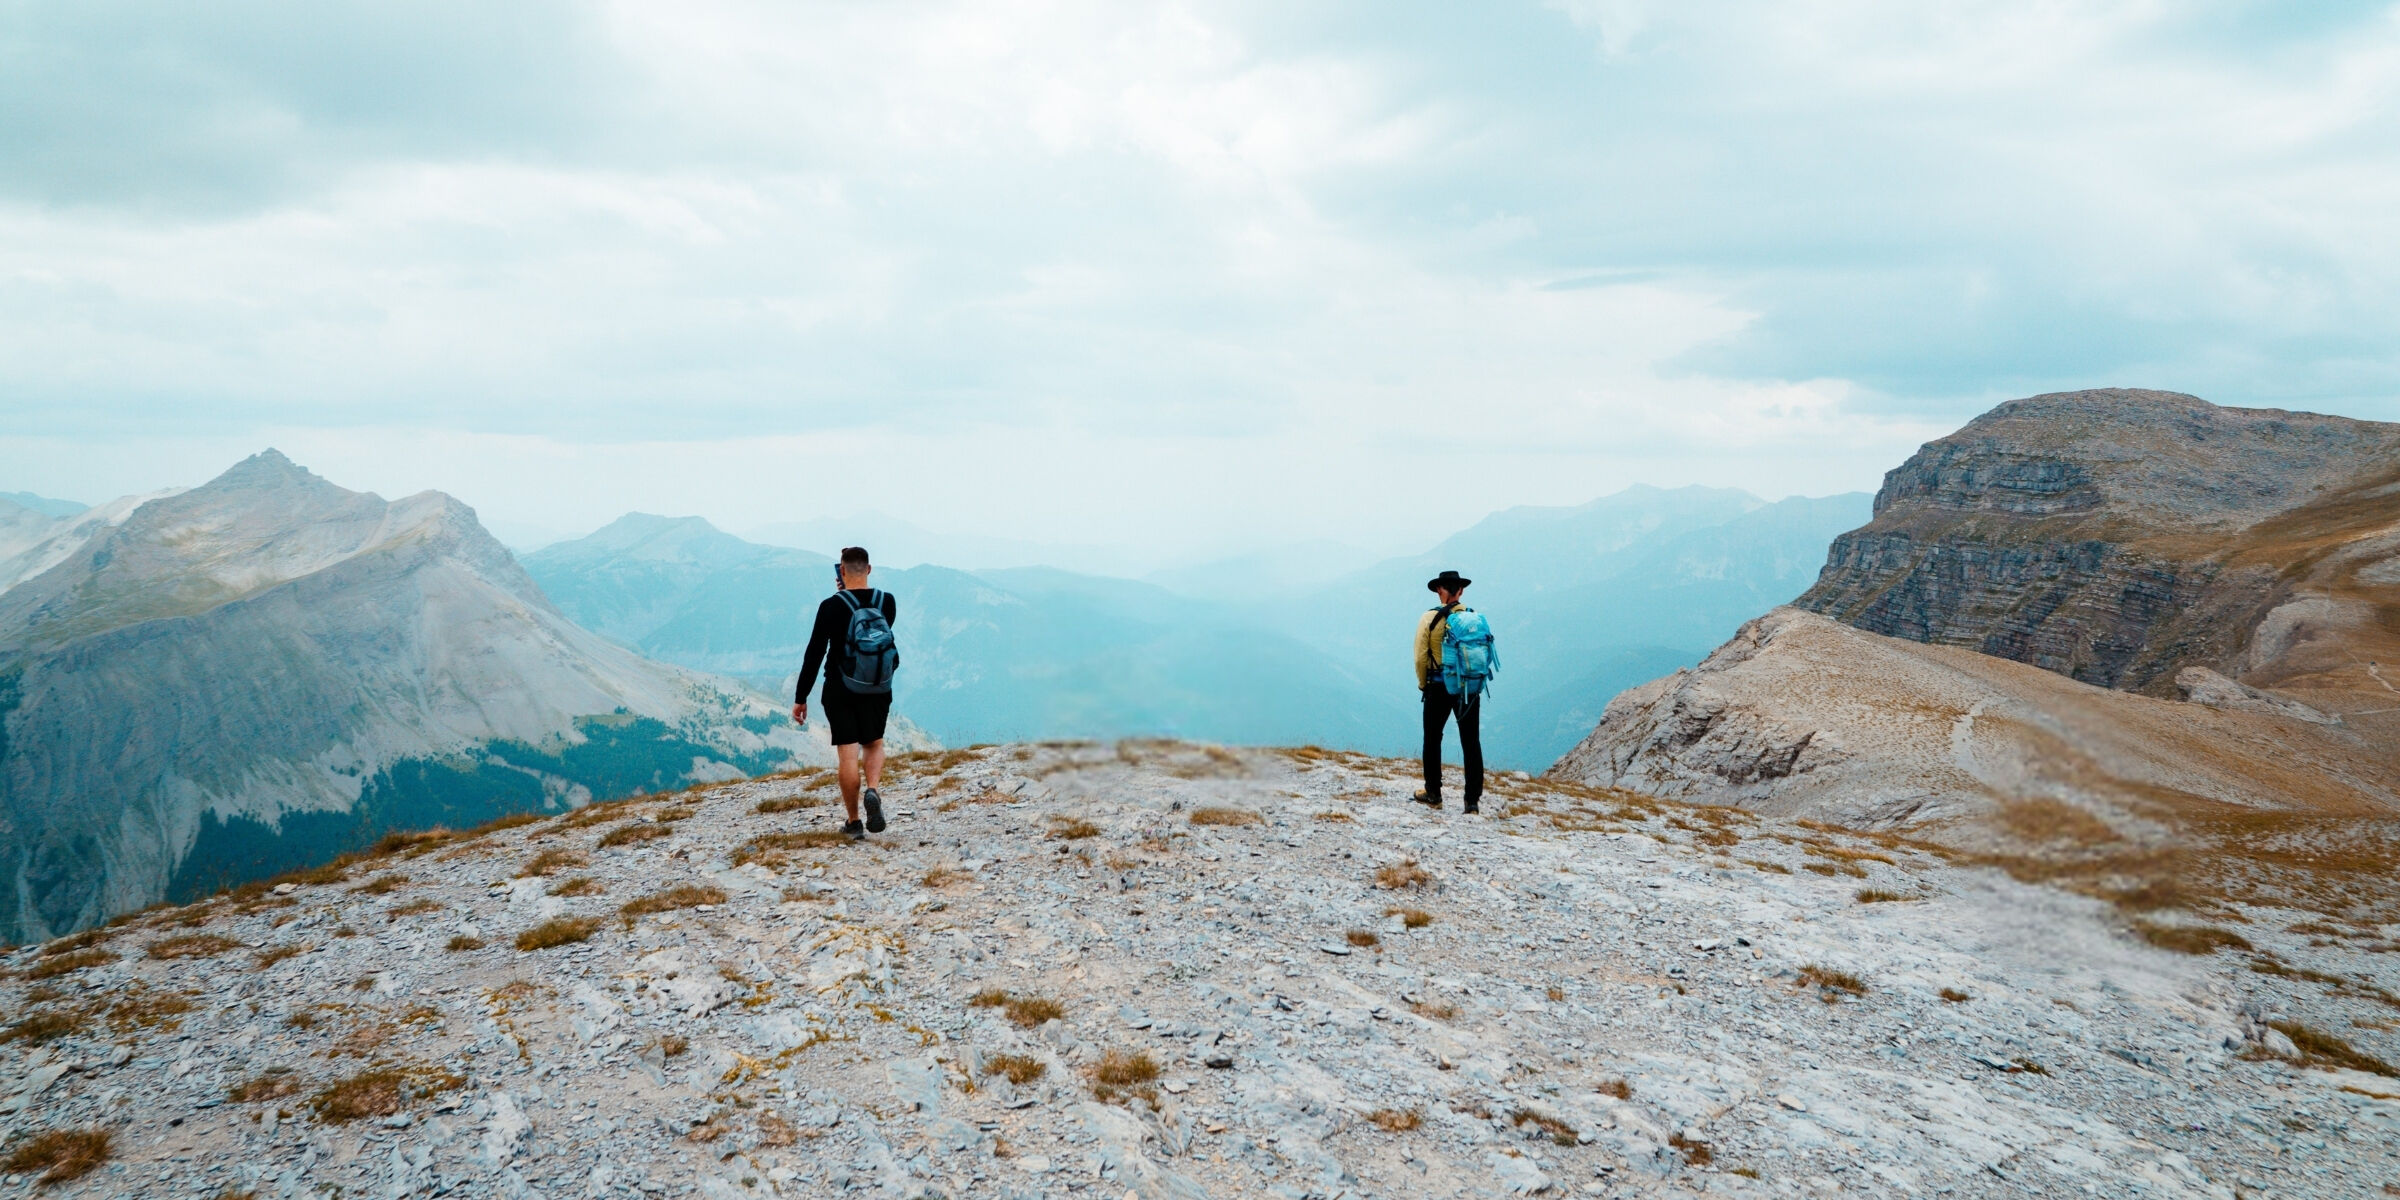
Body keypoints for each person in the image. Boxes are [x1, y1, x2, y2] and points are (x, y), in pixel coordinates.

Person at [792, 546, 900, 842]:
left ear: (841, 571)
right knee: (874, 743)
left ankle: (854, 822)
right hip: (878, 686)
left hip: (840, 688)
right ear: (869, 569)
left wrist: (801, 697)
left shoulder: (831, 606)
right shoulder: (886, 602)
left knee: (848, 753)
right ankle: (873, 789)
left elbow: (814, 653)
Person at [1413, 569, 1483, 814]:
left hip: (1438, 685)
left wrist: (1423, 684)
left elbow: (1421, 657)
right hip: (1468, 687)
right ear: (1461, 591)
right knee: (1471, 741)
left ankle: (1433, 793)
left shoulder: (1428, 618)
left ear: (1441, 590)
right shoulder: (1472, 618)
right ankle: (1472, 801)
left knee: (1432, 739)